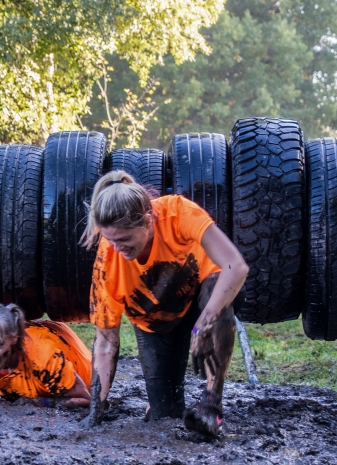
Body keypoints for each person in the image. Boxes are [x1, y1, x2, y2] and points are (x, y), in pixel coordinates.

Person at [81, 170, 249, 436]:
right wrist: (96, 410)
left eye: (124, 239)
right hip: (157, 323)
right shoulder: (107, 263)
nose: (116, 249)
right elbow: (105, 342)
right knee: (165, 414)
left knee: (215, 288)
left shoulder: (177, 213)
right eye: (110, 240)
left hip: (204, 302)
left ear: (148, 221)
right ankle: (163, 404)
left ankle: (211, 404)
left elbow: (236, 266)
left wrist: (203, 327)